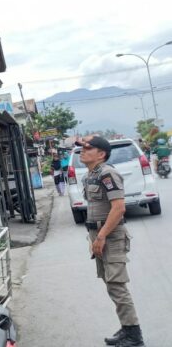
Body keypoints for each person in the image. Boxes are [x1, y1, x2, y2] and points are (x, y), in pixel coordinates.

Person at [76, 135, 144, 347]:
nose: (82, 152)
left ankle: (134, 336)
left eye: (88, 148)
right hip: (99, 235)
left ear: (101, 154)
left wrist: (103, 235)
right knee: (110, 285)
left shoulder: (108, 173)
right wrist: (94, 237)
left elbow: (118, 208)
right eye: (82, 148)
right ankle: (127, 328)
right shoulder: (91, 175)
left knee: (117, 286)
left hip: (111, 236)